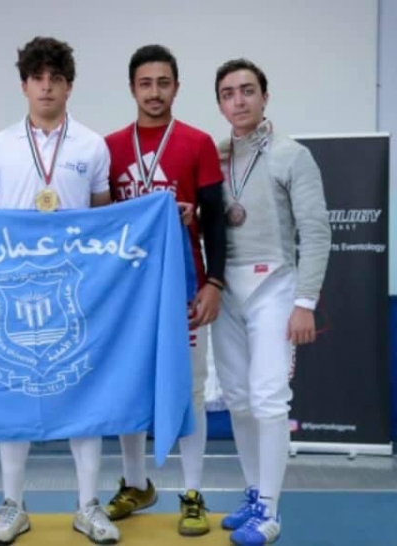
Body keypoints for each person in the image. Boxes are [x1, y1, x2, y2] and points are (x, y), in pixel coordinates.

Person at [0, 36, 119, 546]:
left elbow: (104, 218)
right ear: (24, 85)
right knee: (14, 396)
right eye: (37, 78)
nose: (46, 86)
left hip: (75, 291)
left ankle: (88, 505)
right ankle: (13, 506)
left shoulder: (92, 145)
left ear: (69, 86)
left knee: (83, 394)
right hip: (12, 291)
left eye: (56, 78)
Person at [102, 44, 227, 537]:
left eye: (163, 83)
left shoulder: (198, 143)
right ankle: (136, 484)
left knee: (190, 388)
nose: (154, 92)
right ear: (132, 88)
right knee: (128, 386)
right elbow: (100, 222)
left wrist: (213, 282)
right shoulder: (109, 147)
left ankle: (192, 491)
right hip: (128, 294)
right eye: (145, 83)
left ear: (176, 87)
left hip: (183, 288)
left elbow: (216, 222)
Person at [211, 58, 331, 545]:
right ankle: (254, 491)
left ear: (264, 96)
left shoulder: (292, 155)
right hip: (226, 290)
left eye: (247, 91)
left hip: (275, 287)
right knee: (238, 399)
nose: (238, 101)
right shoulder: (215, 156)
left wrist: (305, 301)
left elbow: (316, 231)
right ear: (220, 103)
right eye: (228, 93)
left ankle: (271, 510)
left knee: (267, 398)